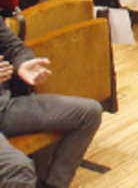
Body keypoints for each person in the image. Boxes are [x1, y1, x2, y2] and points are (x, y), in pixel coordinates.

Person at [0, 20, 102, 188]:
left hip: (5, 107)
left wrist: (23, 64)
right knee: (17, 169)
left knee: (89, 112)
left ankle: (53, 184)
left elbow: (15, 48)